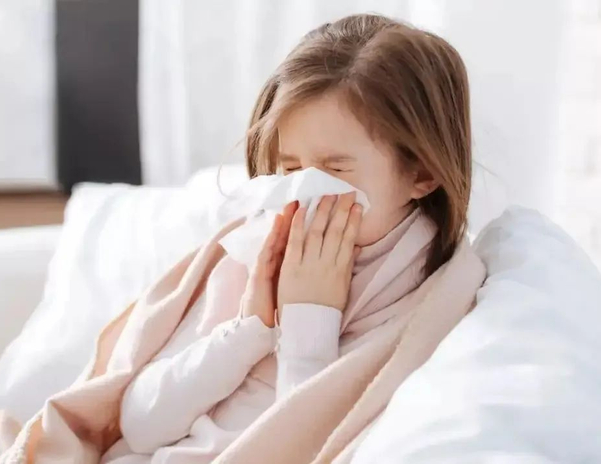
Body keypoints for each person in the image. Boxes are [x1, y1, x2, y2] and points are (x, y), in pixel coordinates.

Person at [106, 12, 473, 463]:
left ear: (422, 173)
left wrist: (310, 320)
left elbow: (308, 452)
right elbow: (139, 427)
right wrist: (247, 332)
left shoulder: (429, 302)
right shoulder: (258, 249)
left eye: (335, 169)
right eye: (291, 168)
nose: (303, 190)